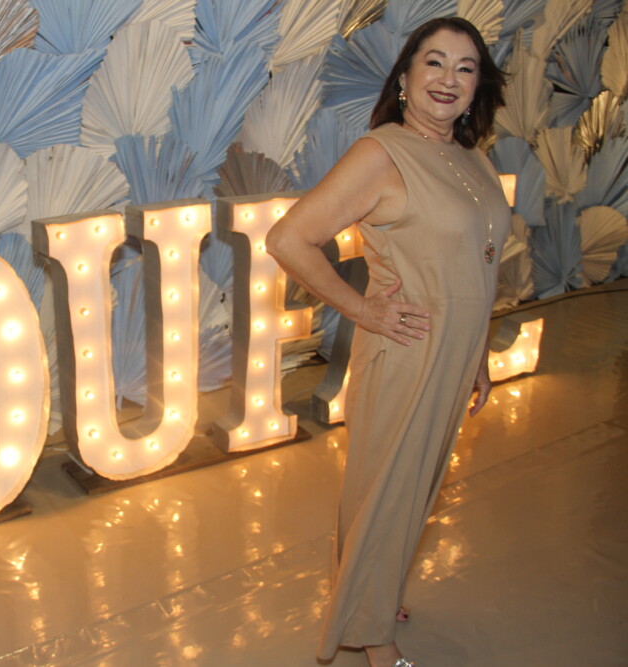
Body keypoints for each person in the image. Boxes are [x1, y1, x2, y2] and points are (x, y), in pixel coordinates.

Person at [264, 17, 508, 667]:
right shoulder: (383, 153)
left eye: (465, 68)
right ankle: (375, 638)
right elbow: (288, 238)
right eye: (435, 62)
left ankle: (370, 589)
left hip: (453, 355)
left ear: (477, 86)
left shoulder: (470, 156)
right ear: (405, 76)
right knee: (388, 492)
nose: (448, 79)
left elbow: (479, 262)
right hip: (408, 351)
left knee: (411, 486)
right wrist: (362, 309)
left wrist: (479, 353)